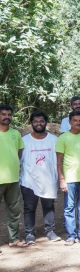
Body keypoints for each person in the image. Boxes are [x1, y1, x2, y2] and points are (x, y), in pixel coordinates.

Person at [56, 110, 80, 245]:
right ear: (69, 122)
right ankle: (71, 235)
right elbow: (59, 161)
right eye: (75, 120)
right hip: (70, 179)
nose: (78, 123)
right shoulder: (63, 138)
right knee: (69, 207)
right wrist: (61, 179)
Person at [20, 112, 59, 244]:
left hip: (48, 180)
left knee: (49, 206)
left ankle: (50, 231)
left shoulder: (54, 140)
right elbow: (18, 159)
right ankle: (29, 234)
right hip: (28, 180)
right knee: (29, 207)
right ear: (31, 123)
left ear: (46, 122)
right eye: (35, 121)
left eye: (41, 121)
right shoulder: (24, 140)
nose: (38, 124)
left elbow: (59, 160)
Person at [0, 104, 24, 250]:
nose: (7, 117)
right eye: (3, 114)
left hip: (13, 180)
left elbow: (19, 153)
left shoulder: (16, 134)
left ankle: (14, 239)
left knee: (14, 211)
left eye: (9, 114)